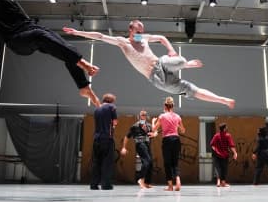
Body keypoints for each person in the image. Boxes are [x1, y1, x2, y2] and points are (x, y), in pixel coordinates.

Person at [62, 20, 235, 109]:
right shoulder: (123, 42)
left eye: (142, 31)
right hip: (156, 77)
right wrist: (78, 32)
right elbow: (99, 36)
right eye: (138, 31)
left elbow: (161, 38)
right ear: (131, 29)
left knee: (180, 60)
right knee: (191, 90)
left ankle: (185, 64)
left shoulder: (141, 39)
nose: (140, 34)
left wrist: (171, 50)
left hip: (162, 63)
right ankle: (223, 100)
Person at [149, 97, 184, 191]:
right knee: (175, 162)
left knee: (167, 163)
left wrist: (153, 122)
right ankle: (178, 180)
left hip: (167, 140)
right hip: (176, 139)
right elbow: (183, 130)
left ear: (165, 106)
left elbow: (153, 130)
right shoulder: (177, 116)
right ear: (173, 106)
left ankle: (170, 186)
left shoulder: (162, 116)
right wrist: (176, 126)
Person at [90, 93, 118, 190]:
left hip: (96, 138)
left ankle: (94, 184)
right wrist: (113, 126)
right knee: (107, 162)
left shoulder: (97, 108)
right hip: (107, 138)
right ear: (111, 101)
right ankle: (106, 184)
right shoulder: (112, 107)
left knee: (96, 161)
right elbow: (115, 122)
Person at [120, 110, 154, 189]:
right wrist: (124, 147)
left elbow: (152, 134)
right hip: (140, 144)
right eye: (142, 115)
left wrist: (153, 133)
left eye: (145, 115)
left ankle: (147, 182)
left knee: (150, 162)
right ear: (139, 116)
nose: (143, 116)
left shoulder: (149, 125)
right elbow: (127, 137)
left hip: (147, 145)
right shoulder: (135, 126)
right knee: (147, 161)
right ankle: (141, 179)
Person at [210, 123, 237, 187]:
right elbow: (231, 146)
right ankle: (223, 183)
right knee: (224, 169)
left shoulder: (216, 135)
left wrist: (216, 150)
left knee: (217, 168)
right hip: (225, 155)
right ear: (224, 128)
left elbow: (212, 144)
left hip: (216, 155)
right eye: (226, 127)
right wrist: (235, 153)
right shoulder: (228, 135)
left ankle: (218, 181)